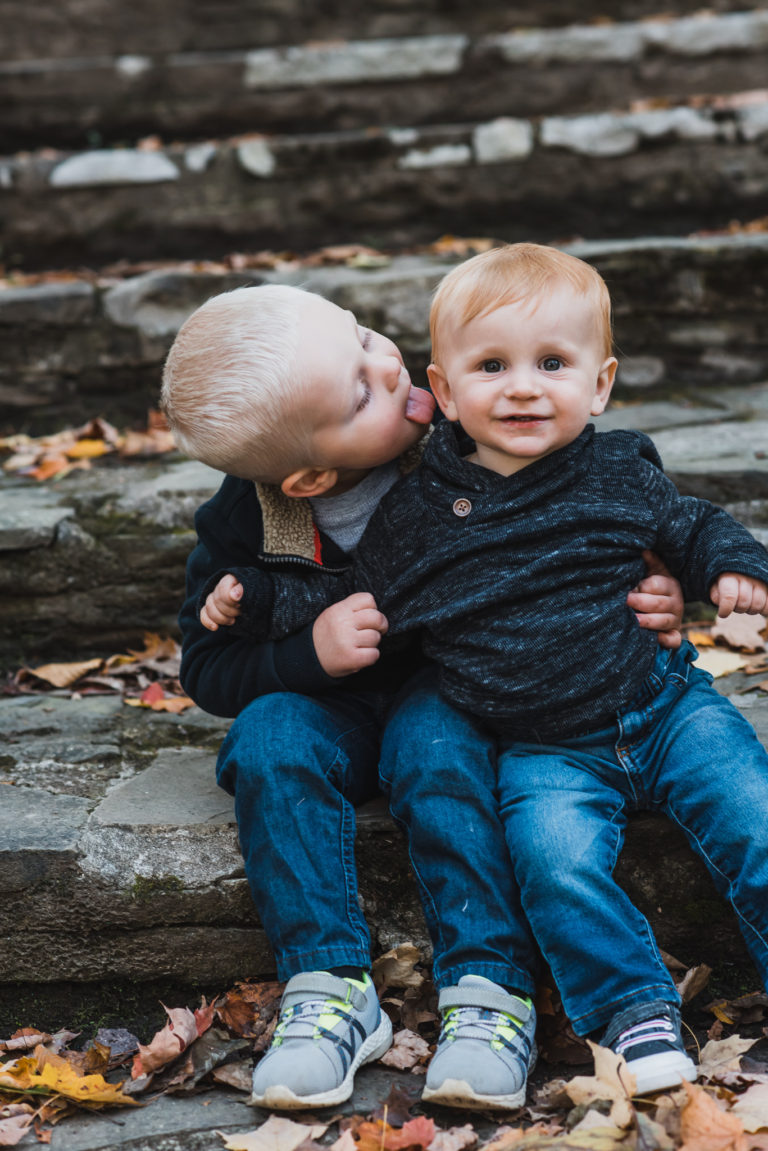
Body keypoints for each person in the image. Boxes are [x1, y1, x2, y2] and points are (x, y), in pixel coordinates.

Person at [233, 245, 768, 1099]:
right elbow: (360, 598)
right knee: (553, 864)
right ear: (444, 393)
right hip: (541, 747)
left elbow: (693, 525)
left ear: (599, 384)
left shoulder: (619, 469)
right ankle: (633, 1010)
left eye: (552, 364)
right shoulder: (415, 515)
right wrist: (263, 604)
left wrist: (731, 570)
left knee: (757, 820)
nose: (523, 387)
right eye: (492, 367)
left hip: (666, 707)